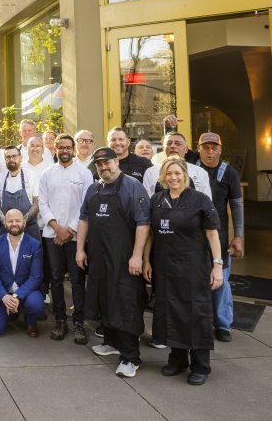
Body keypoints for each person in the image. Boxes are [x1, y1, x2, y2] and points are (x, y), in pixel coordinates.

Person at [145, 157, 223, 386]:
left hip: (193, 267)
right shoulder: (157, 200)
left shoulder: (200, 200)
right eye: (169, 173)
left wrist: (217, 265)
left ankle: (200, 364)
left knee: (195, 313)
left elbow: (212, 234)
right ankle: (177, 358)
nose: (173, 177)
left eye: (177, 173)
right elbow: (150, 234)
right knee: (170, 310)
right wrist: (146, 261)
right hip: (165, 267)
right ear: (163, 177)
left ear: (185, 175)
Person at [75, 147, 151, 378]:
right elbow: (84, 219)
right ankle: (111, 342)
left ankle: (131, 357)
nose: (103, 167)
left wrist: (137, 255)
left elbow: (143, 223)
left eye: (107, 162)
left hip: (124, 259)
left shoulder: (132, 187)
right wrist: (80, 250)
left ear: (116, 161)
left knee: (125, 303)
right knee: (103, 299)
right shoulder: (94, 188)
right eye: (99, 164)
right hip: (99, 256)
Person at [38, 133, 93, 344]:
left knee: (78, 280)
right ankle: (60, 320)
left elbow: (86, 205)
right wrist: (56, 227)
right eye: (60, 147)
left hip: (76, 236)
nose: (64, 150)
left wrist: (68, 230)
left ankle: (78, 323)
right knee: (56, 279)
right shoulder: (47, 174)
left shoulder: (84, 174)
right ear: (55, 149)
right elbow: (43, 204)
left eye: (68, 147)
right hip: (52, 236)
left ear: (74, 148)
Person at [196, 132, 244, 343]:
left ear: (220, 149)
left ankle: (223, 324)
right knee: (197, 280)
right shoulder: (191, 168)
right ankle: (200, 321)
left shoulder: (229, 173)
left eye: (214, 147)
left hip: (220, 236)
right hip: (194, 236)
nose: (210, 151)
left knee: (221, 280)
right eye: (206, 147)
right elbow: (172, 147)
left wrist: (239, 236)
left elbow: (236, 206)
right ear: (198, 148)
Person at [0, 209, 46, 337]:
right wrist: (4, 296)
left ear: (24, 222)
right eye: (10, 221)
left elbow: (36, 277)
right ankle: (13, 312)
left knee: (35, 305)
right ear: (5, 223)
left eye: (17, 220)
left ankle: (31, 321)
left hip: (27, 292)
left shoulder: (35, 245)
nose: (14, 223)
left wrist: (17, 296)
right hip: (5, 293)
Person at [0, 145, 41, 239]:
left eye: (14, 156)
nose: (11, 159)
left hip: (29, 228)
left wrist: (24, 220)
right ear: (5, 159)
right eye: (8, 157)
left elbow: (38, 202)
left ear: (20, 158)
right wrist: (4, 220)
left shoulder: (31, 176)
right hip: (7, 229)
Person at [142, 133, 213, 197]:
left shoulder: (200, 172)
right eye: (169, 143)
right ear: (163, 149)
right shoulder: (151, 172)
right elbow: (147, 202)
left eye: (178, 143)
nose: (172, 146)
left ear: (186, 149)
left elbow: (206, 201)